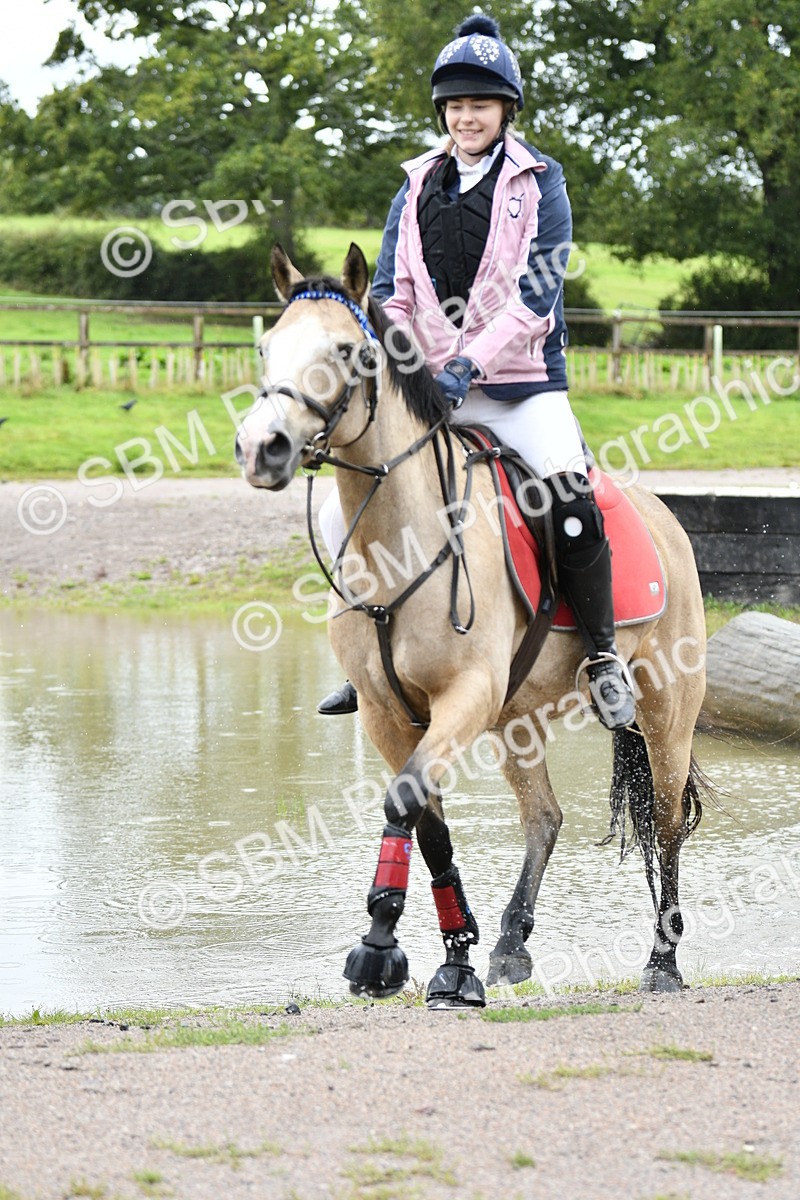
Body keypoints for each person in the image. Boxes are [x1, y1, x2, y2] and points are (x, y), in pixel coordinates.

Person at [317, 13, 635, 731]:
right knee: (350, 501)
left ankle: (604, 656)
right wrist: (412, 370)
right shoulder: (415, 184)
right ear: (443, 111)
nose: (466, 116)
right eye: (456, 105)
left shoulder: (542, 182)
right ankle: (364, 656)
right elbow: (391, 292)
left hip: (521, 387)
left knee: (570, 500)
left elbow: (535, 293)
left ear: (505, 111)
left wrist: (468, 364)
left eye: (480, 104)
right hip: (430, 389)